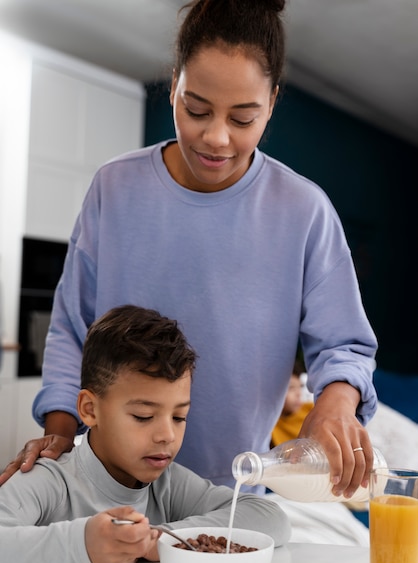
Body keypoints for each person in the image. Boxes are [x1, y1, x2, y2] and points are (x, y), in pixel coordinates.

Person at [0, 0, 378, 500]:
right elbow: (73, 328)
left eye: (243, 119)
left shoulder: (303, 210)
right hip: (106, 490)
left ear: (273, 102)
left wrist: (335, 403)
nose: (216, 137)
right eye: (196, 109)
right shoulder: (115, 188)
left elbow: (344, 346)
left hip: (231, 494)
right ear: (175, 82)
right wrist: (61, 436)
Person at [0, 305, 290, 563]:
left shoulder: (169, 484)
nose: (167, 435)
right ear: (89, 409)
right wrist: (82, 545)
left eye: (179, 416)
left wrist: (160, 538)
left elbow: (271, 519)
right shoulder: (50, 480)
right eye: (143, 416)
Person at [271, 360, 314, 447]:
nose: (298, 394)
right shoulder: (270, 426)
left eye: (300, 387)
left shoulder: (312, 410)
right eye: (291, 388)